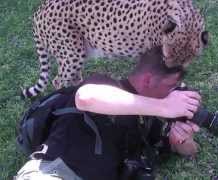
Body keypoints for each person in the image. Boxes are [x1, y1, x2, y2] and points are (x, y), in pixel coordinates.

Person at [15, 47, 202, 180]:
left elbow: (188, 151)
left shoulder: (149, 119)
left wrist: (183, 139)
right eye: (170, 86)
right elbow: (85, 97)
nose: (171, 94)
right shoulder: (104, 84)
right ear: (148, 80)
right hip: (54, 172)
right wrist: (165, 107)